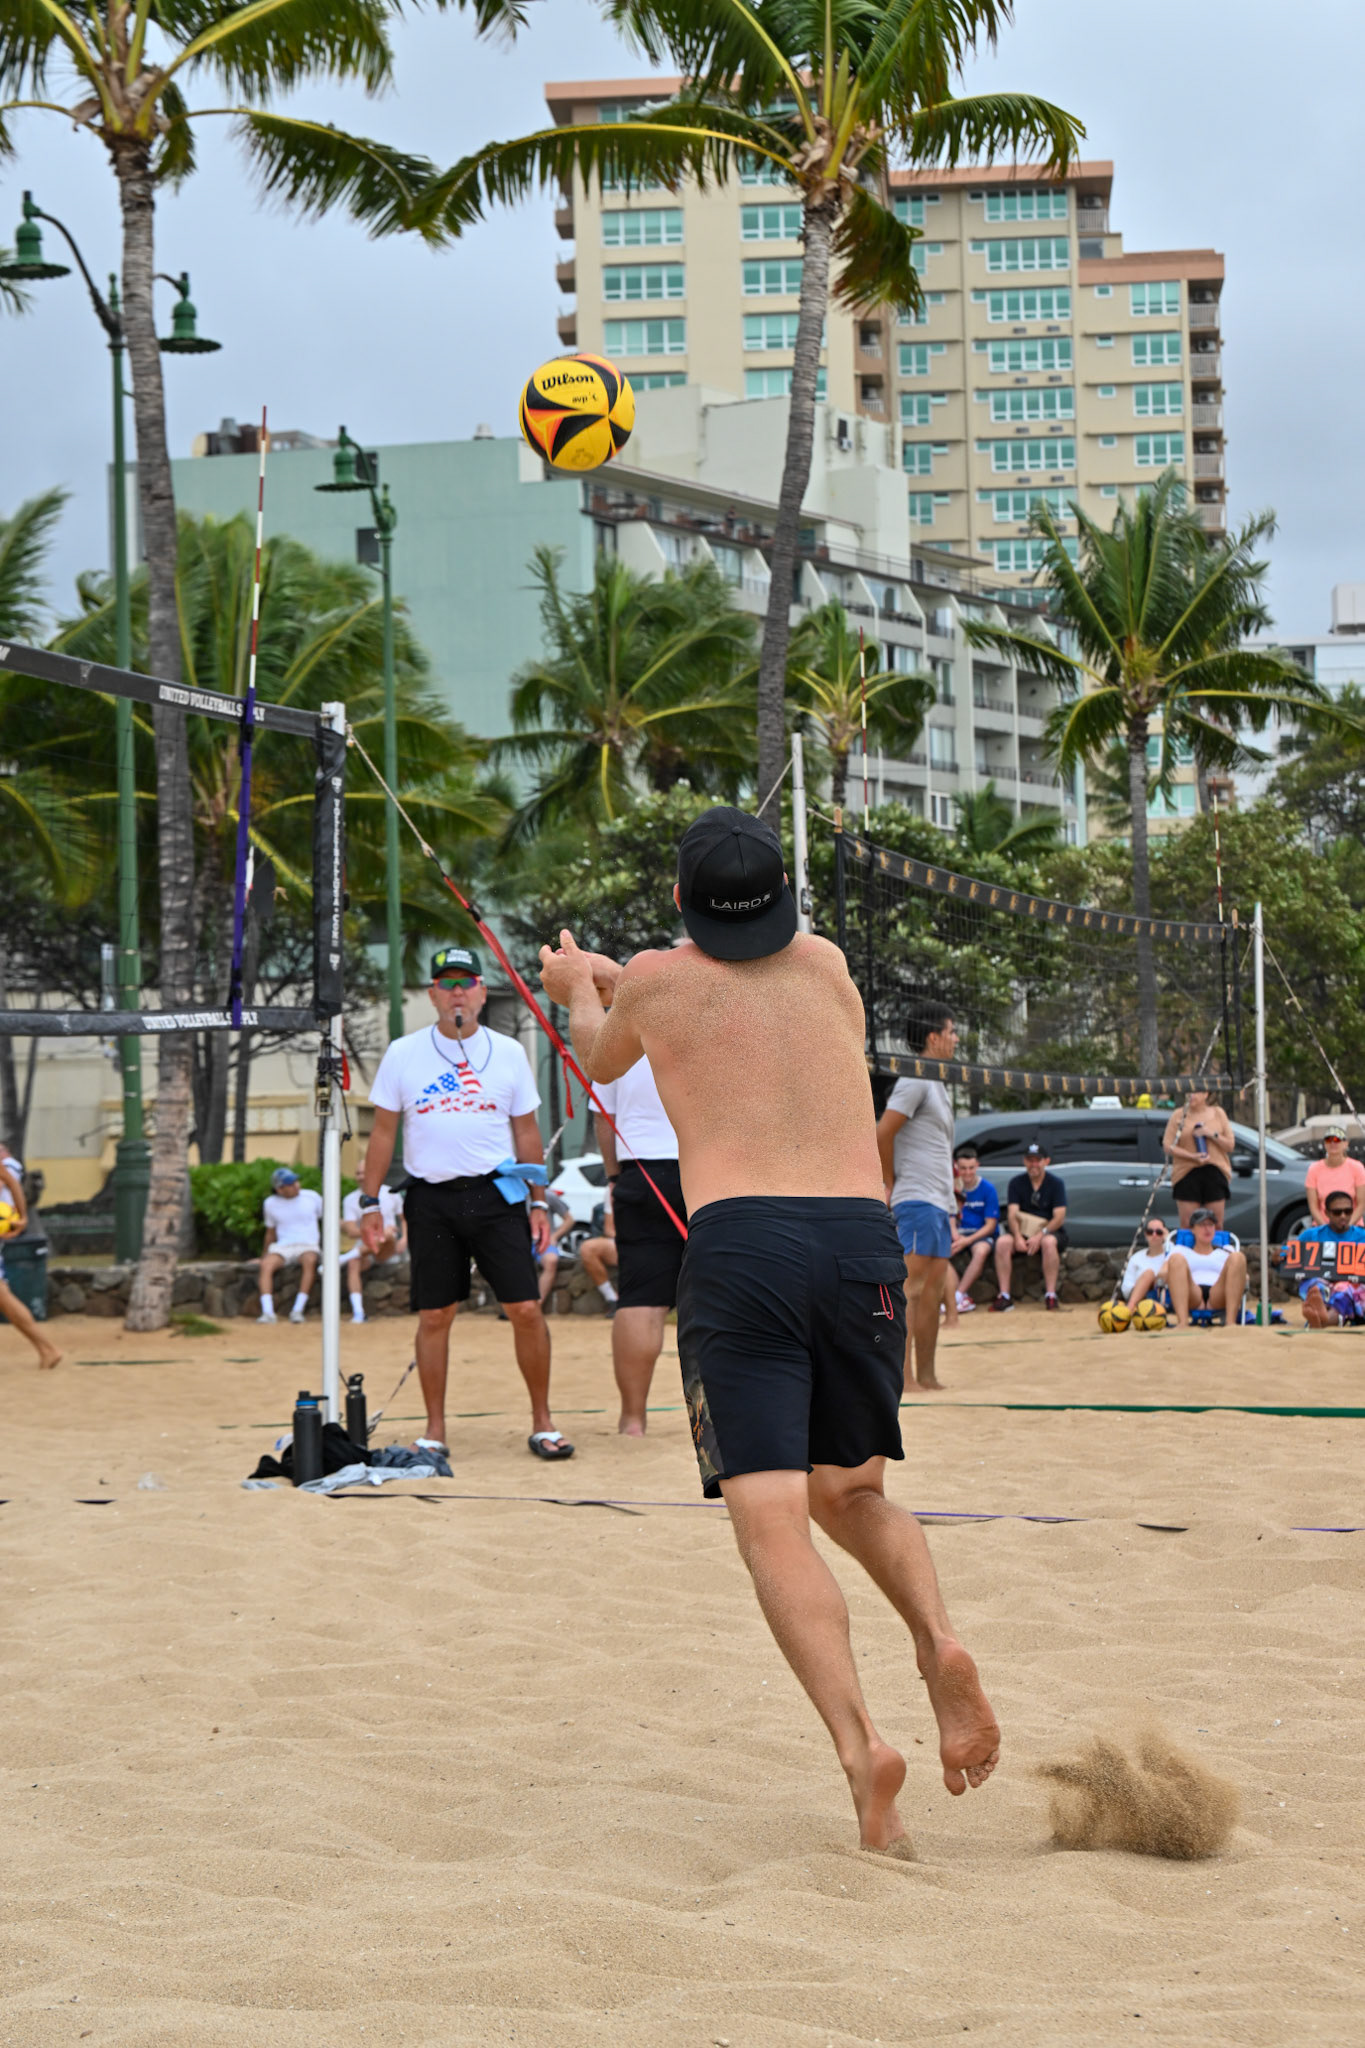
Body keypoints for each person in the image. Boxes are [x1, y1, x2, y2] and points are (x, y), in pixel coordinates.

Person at [537, 804, 999, 1856]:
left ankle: (860, 1746)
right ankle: (939, 1641)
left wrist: (577, 988)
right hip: (862, 1241)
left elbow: (607, 1056)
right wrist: (627, 974)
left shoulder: (654, 978)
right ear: (781, 894)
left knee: (775, 1523)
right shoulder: (830, 964)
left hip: (744, 1245)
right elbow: (720, 991)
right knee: (855, 1488)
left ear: (677, 899)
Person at [359, 944, 573, 1462]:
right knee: (435, 1315)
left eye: (467, 982)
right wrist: (368, 1203)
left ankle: (542, 1422)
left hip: (497, 1195)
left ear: (481, 992)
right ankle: (435, 1429)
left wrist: (539, 1202)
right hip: (431, 1198)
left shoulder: (508, 1052)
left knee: (524, 1307)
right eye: (447, 983)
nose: (457, 992)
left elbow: (527, 1131)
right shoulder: (404, 1053)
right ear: (432, 994)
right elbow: (383, 1134)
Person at [593, 1051, 686, 1435]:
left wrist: (614, 1177)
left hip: (641, 1167)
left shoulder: (624, 1023)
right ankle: (728, 1416)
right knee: (725, 1295)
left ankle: (633, 1419)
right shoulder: (714, 1009)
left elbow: (603, 1114)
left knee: (641, 1300)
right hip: (707, 1166)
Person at [874, 1001, 958, 1392]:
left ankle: (927, 1375)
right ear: (934, 1037)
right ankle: (903, 1378)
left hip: (938, 1202)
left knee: (934, 1293)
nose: (956, 1038)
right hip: (917, 1199)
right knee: (912, 1290)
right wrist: (888, 1182)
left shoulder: (937, 1082)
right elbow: (882, 1131)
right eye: (952, 1031)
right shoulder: (915, 1079)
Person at [0, 1144, 61, 1371]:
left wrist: (22, 1217)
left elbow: (7, 1179)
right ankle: (46, 1349)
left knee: (3, 1296)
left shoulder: (8, 1167)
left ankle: (48, 1348)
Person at [993, 1143, 1068, 1311]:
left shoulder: (1056, 1183)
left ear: (1046, 1161)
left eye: (1037, 1160)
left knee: (1049, 1242)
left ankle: (1050, 1295)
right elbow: (1012, 1214)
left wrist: (1040, 1235)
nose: (1033, 1164)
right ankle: (1004, 1296)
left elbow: (1059, 1217)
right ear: (1024, 1161)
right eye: (1030, 1160)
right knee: (1002, 1242)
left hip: (1047, 1231)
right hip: (1023, 1231)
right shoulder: (1016, 1183)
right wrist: (1018, 1236)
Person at [340, 1151, 406, 1324]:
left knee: (388, 1235)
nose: (361, 1177)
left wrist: (404, 1238)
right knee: (355, 1263)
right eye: (358, 1173)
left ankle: (346, 1257)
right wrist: (376, 1232)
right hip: (367, 1248)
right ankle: (358, 1312)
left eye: (364, 1172)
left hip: (387, 1248)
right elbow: (350, 1230)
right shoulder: (350, 1199)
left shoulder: (391, 1192)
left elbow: (404, 1218)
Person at [1161, 1082, 1235, 1228]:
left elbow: (1230, 1145)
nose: (1191, 1096)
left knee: (1216, 1223)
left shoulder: (1218, 1113)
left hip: (1214, 1171)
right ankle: (1188, 1250)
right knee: (1188, 1223)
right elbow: (1168, 1146)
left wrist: (1210, 1133)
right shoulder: (1178, 1115)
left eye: (1195, 1092)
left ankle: (1215, 1249)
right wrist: (1192, 1156)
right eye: (1188, 1092)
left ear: (1205, 1094)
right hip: (1187, 1172)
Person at [1165, 1207, 1249, 1331]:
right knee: (1177, 1259)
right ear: (1192, 1229)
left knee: (1238, 1257)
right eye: (1202, 1225)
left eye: (1210, 1224)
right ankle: (1182, 1323)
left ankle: (1230, 1324)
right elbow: (1161, 1273)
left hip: (1218, 1293)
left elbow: (1244, 1276)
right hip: (1191, 1292)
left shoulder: (1226, 1250)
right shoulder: (1180, 1249)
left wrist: (1240, 1275)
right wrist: (1174, 1271)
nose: (1207, 1229)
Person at [257, 1167, 323, 1324]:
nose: (296, 1185)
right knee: (266, 1265)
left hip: (308, 1245)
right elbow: (270, 1233)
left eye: (295, 1181)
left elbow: (326, 1220)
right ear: (279, 1189)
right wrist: (264, 1255)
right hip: (283, 1247)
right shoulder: (270, 1204)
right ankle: (268, 1312)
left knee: (310, 1261)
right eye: (290, 1184)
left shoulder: (312, 1197)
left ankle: (298, 1310)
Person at [1296, 1194, 1365, 1328]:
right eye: (1337, 1212)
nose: (1343, 1216)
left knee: (1345, 1288)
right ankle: (1322, 1315)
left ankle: (1323, 1319)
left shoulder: (1363, 1236)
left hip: (1354, 1285)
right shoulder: (1311, 1235)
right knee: (1315, 1285)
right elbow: (1288, 1257)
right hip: (1322, 1281)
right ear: (1327, 1212)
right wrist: (1279, 1257)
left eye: (1348, 1211)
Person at [949, 1143, 1000, 1314]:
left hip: (979, 1235)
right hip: (956, 1234)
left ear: (977, 1165)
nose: (968, 1173)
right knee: (937, 1250)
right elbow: (947, 1215)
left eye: (971, 1168)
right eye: (963, 1168)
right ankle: (955, 1297)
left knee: (981, 1251)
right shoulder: (951, 1188)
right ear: (956, 1167)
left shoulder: (987, 1189)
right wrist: (956, 1237)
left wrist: (967, 1241)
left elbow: (991, 1225)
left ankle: (958, 1295)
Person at [1306, 1124, 1365, 1227]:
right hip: (1323, 1227)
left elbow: (1361, 1204)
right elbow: (1313, 1207)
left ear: (1346, 1144)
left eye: (1337, 1140)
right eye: (1328, 1140)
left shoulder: (1357, 1167)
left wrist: (1347, 1227)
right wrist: (1327, 1229)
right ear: (1324, 1144)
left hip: (1352, 1226)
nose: (1333, 1143)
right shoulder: (1314, 1169)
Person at [577, 1193, 619, 1314]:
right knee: (587, 1248)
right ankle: (612, 1299)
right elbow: (609, 1229)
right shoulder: (612, 1188)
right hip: (623, 1242)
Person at [1120, 1218, 1172, 1310]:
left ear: (1164, 1234)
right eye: (1150, 1232)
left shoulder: (1171, 1251)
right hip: (1141, 1299)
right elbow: (1126, 1288)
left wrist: (1168, 1240)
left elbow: (1177, 1254)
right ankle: (1129, 1309)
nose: (1154, 1235)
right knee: (1148, 1273)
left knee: (1156, 1274)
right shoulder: (1136, 1258)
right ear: (1145, 1234)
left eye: (1159, 1232)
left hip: (1166, 1296)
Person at [535, 1190, 574, 1306]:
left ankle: (537, 1304)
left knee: (551, 1260)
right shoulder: (511, 1194)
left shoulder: (547, 1195)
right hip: (520, 1242)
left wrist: (554, 1236)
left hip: (544, 1242)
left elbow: (569, 1219)